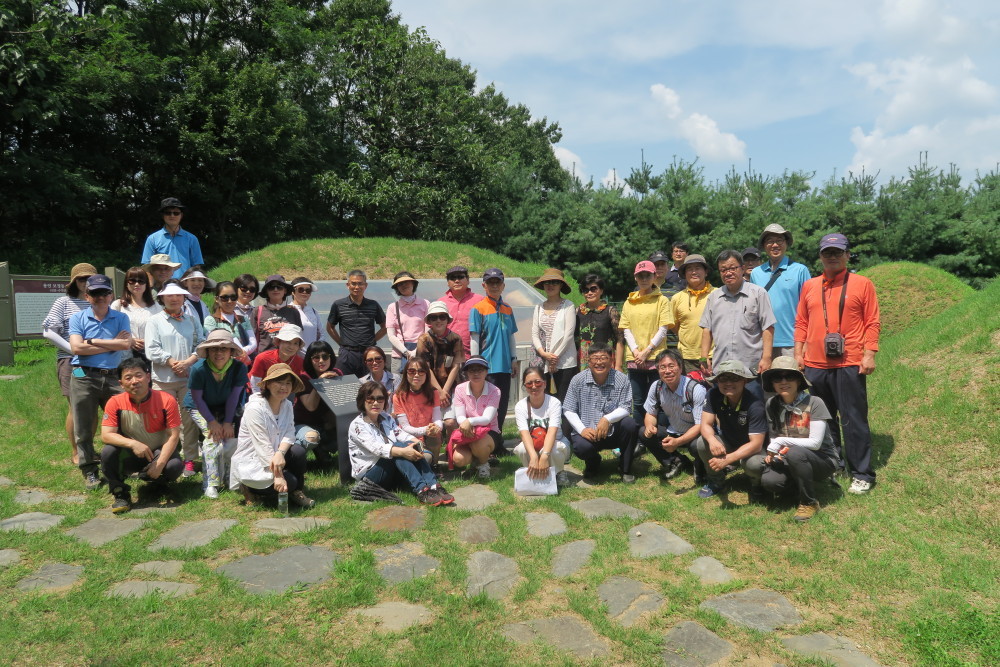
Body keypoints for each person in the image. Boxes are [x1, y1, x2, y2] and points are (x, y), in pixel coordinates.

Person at [794, 232, 881, 495]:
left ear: (846, 255)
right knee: (824, 418)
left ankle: (862, 472)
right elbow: (801, 322)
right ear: (820, 256)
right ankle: (835, 463)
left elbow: (872, 321)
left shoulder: (862, 283)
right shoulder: (810, 286)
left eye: (837, 252)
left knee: (853, 419)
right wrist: (798, 353)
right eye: (826, 253)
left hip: (849, 362)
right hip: (816, 364)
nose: (832, 257)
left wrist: (870, 353)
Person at [67, 274, 132, 489]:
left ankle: (122, 464)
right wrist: (113, 343)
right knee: (84, 426)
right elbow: (76, 348)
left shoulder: (121, 317)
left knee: (123, 422)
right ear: (87, 296)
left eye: (104, 292)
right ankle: (89, 470)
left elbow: (125, 345)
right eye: (95, 293)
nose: (100, 297)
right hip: (84, 375)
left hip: (114, 376)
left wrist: (92, 341)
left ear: (111, 294)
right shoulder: (78, 318)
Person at [348, 380, 454, 506]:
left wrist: (416, 444)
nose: (375, 403)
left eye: (380, 398)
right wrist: (404, 451)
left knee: (408, 446)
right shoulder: (357, 425)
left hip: (390, 467)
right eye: (370, 399)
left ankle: (433, 485)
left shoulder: (385, 417)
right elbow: (378, 449)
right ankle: (421, 490)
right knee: (398, 448)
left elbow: (400, 434)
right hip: (370, 475)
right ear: (362, 401)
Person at [760, 357, 840, 522]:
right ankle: (796, 489)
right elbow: (775, 435)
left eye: (789, 377)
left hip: (823, 459)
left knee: (796, 453)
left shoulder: (814, 402)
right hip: (790, 456)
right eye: (777, 378)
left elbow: (815, 443)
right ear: (772, 383)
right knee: (770, 482)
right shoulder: (771, 404)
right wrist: (775, 452)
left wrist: (781, 441)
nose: (783, 382)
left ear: (798, 380)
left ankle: (809, 502)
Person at [100, 358, 184, 513]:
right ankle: (120, 493)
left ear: (148, 377)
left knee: (174, 466)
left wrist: (160, 463)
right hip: (131, 454)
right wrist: (133, 444)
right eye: (128, 378)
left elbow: (174, 435)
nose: (134, 381)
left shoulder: (166, 400)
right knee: (107, 452)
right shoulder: (114, 402)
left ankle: (157, 482)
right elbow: (106, 435)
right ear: (121, 383)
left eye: (139, 375)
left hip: (158, 451)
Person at [230, 363, 315, 508]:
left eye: (288, 383)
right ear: (268, 384)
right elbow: (262, 445)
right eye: (279, 382)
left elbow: (289, 432)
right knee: (290, 481)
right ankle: (248, 488)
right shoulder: (255, 408)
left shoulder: (287, 405)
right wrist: (278, 476)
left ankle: (296, 492)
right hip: (256, 458)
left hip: (275, 453)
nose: (284, 387)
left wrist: (280, 453)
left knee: (298, 452)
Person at [145, 281, 205, 478]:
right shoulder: (154, 321)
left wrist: (187, 363)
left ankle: (189, 459)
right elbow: (151, 349)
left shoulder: (191, 319)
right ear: (162, 297)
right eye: (169, 295)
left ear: (183, 297)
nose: (174, 298)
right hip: (164, 379)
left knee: (189, 420)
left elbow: (201, 344)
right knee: (165, 421)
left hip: (188, 378)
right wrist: (172, 362)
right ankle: (165, 458)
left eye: (178, 295)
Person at [699, 249, 776, 395]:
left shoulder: (758, 293)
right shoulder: (714, 297)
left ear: (742, 268)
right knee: (722, 412)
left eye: (732, 268)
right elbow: (706, 329)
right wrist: (704, 357)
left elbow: (768, 327)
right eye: (723, 270)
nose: (728, 273)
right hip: (721, 370)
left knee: (754, 410)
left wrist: (766, 358)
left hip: (750, 369)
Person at [42, 262, 96, 464]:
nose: (85, 283)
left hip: (97, 360)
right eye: (81, 279)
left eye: (89, 279)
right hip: (71, 361)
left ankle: (88, 450)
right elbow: (48, 331)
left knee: (91, 407)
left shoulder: (98, 301)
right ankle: (76, 452)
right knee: (76, 406)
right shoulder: (63, 302)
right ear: (74, 282)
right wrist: (73, 348)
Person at [185, 330, 248, 499]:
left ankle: (230, 478)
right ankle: (211, 483)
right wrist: (212, 422)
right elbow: (197, 399)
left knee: (230, 438)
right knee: (212, 438)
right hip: (200, 407)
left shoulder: (239, 368)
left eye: (224, 349)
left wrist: (227, 422)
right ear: (207, 351)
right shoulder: (198, 369)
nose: (219, 353)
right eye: (214, 349)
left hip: (228, 405)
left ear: (231, 352)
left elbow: (235, 396)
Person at [563, 345, 639, 482]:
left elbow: (626, 407)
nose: (599, 362)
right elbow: (568, 409)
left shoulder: (621, 379)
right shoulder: (578, 380)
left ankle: (625, 468)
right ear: (589, 361)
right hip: (589, 432)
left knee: (630, 424)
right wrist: (582, 429)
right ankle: (593, 463)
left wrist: (607, 419)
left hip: (613, 432)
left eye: (604, 358)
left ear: (611, 360)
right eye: (595, 358)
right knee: (581, 448)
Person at [695, 360, 767, 500]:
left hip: (753, 450)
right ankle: (716, 481)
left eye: (734, 378)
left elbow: (756, 444)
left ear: (744, 381)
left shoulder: (755, 404)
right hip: (728, 442)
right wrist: (712, 440)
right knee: (702, 443)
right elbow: (705, 424)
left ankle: (756, 485)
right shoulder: (713, 394)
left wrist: (727, 459)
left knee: (754, 464)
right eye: (723, 378)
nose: (728, 383)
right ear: (717, 381)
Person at [638, 349, 708, 481]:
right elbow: (650, 413)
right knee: (643, 432)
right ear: (658, 370)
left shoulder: (695, 389)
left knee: (696, 445)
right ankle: (675, 461)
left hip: (695, 432)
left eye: (671, 366)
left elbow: (701, 425)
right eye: (662, 367)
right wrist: (649, 426)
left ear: (680, 368)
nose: (667, 371)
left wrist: (677, 442)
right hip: (674, 430)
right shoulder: (656, 386)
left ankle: (701, 466)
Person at [619, 260, 672, 424]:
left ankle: (660, 434)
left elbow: (663, 329)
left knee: (659, 399)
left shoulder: (662, 300)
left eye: (647, 275)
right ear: (635, 278)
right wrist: (636, 351)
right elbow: (626, 328)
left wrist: (647, 351)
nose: (644, 279)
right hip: (635, 359)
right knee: (639, 400)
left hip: (656, 356)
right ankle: (640, 437)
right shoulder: (629, 301)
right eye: (640, 276)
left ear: (654, 276)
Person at [751, 223, 811, 358]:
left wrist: (806, 342)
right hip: (763, 342)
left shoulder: (800, 270)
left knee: (791, 379)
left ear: (786, 244)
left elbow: (810, 308)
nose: (775, 245)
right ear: (764, 245)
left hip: (792, 342)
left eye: (779, 241)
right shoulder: (756, 273)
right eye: (770, 241)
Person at [469, 268, 519, 432]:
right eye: (490, 282)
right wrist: (476, 363)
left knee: (502, 403)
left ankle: (497, 440)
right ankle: (486, 439)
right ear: (484, 285)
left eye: (497, 282)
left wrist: (514, 359)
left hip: (504, 366)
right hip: (487, 367)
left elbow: (511, 336)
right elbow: (474, 337)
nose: (494, 285)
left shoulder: (508, 308)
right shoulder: (478, 309)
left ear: (503, 285)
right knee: (486, 405)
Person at [514, 366, 572, 488]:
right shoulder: (520, 406)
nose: (534, 386)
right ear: (525, 386)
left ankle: (559, 471)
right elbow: (524, 433)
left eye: (538, 382)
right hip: (533, 443)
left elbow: (552, 431)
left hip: (557, 441)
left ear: (545, 384)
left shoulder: (554, 402)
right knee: (521, 449)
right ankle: (532, 470)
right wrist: (534, 456)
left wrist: (544, 455)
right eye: (529, 384)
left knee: (554, 450)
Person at [447, 356, 504, 478]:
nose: (476, 373)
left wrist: (470, 421)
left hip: (489, 430)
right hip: (467, 429)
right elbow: (460, 415)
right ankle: (477, 459)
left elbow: (487, 419)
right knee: (459, 460)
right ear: (467, 373)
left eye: (480, 370)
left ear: (486, 371)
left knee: (478, 444)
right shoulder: (460, 389)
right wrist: (466, 425)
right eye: (472, 370)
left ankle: (483, 464)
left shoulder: (495, 391)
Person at [326, 269, 386, 378]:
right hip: (347, 354)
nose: (356, 287)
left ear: (365, 285)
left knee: (369, 386)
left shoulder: (373, 305)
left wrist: (373, 340)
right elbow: (330, 327)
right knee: (344, 385)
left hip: (368, 353)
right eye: (353, 283)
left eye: (360, 283)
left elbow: (385, 327)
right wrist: (341, 342)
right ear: (347, 285)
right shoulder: (338, 305)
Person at [531, 268, 577, 402]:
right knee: (546, 400)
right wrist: (544, 354)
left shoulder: (568, 306)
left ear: (561, 285)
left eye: (554, 282)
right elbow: (534, 334)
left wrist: (554, 357)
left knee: (564, 400)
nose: (550, 285)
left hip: (565, 362)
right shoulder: (538, 307)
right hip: (544, 361)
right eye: (547, 283)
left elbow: (569, 335)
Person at [294, 340, 343, 468]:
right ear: (310, 360)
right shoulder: (304, 378)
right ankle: (296, 456)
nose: (321, 361)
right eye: (316, 357)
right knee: (312, 437)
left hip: (325, 422)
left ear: (331, 357)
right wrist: (319, 383)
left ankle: (325, 450)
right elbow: (311, 407)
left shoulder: (337, 373)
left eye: (325, 356)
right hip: (304, 423)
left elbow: (343, 403)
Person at [415, 301, 464, 427]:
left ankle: (451, 445)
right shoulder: (424, 339)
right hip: (429, 387)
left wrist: (445, 391)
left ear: (447, 319)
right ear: (429, 321)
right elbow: (425, 367)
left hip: (451, 386)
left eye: (442, 316)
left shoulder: (456, 339)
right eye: (434, 317)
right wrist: (439, 391)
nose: (438, 320)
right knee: (432, 423)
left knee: (450, 422)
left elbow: (456, 366)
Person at [393, 357, 444, 473]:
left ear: (426, 374)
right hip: (409, 437)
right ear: (406, 374)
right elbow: (405, 427)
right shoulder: (398, 396)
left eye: (421, 371)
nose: (416, 375)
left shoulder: (434, 393)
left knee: (435, 435)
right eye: (411, 371)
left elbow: (437, 418)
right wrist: (426, 430)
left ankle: (435, 466)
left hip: (429, 435)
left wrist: (436, 428)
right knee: (425, 459)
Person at [669, 254, 716, 373]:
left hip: (715, 355)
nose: (694, 272)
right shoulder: (677, 298)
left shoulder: (718, 294)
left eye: (698, 268)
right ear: (684, 274)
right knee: (689, 391)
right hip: (686, 358)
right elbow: (674, 326)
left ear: (706, 272)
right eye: (689, 269)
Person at [141, 197, 204, 279]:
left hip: (184, 286)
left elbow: (197, 266)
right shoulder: (152, 239)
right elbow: (147, 268)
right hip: (161, 287)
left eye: (176, 213)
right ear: (163, 215)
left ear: (181, 215)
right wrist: (151, 289)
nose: (172, 215)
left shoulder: (192, 239)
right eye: (168, 213)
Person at [110, 266, 162, 361]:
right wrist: (131, 341)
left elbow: (162, 331)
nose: (137, 284)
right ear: (126, 283)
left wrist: (148, 341)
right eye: (132, 281)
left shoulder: (156, 307)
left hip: (149, 356)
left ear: (146, 284)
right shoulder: (118, 305)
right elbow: (111, 330)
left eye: (141, 281)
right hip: (124, 356)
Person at [575, 274, 624, 372]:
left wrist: (618, 365)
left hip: (604, 359)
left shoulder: (610, 311)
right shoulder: (577, 312)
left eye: (593, 289)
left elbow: (620, 339)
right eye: (586, 290)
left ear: (601, 290)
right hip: (583, 362)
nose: (589, 293)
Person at [385, 271, 429, 373]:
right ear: (396, 288)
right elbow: (391, 335)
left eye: (407, 282)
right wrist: (406, 351)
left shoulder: (425, 304)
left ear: (413, 283)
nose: (404, 285)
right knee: (398, 385)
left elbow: (428, 331)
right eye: (400, 284)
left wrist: (415, 351)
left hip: (422, 352)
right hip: (399, 354)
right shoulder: (392, 307)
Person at [203, 281, 256, 363]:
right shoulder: (211, 320)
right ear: (217, 299)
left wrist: (243, 352)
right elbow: (212, 344)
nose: (230, 301)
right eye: (225, 297)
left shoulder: (244, 319)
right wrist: (238, 353)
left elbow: (253, 343)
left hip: (243, 365)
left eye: (233, 297)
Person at [440, 265, 484, 357]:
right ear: (448, 283)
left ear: (468, 280)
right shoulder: (440, 303)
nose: (457, 280)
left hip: (475, 355)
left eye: (460, 277)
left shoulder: (480, 301)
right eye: (452, 278)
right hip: (447, 356)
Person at [249, 324, 306, 393]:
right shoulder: (262, 358)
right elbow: (255, 383)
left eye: (296, 343)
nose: (291, 347)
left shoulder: (299, 362)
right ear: (279, 342)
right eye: (288, 342)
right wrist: (258, 400)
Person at [253, 274, 301, 355]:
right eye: (271, 287)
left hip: (287, 360)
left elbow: (298, 339)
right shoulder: (257, 311)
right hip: (264, 360)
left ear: (285, 290)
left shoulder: (293, 311)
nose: (275, 289)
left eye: (279, 287)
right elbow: (252, 339)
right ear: (266, 291)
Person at [287, 277, 323, 354]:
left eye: (308, 290)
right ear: (293, 292)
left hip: (312, 356)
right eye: (301, 289)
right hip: (293, 356)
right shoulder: (287, 310)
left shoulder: (314, 312)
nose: (304, 292)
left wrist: (315, 350)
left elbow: (321, 334)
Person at [359, 346, 398, 412]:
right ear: (366, 363)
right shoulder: (362, 382)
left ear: (384, 360)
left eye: (378, 359)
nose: (374, 363)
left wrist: (389, 419)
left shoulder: (395, 379)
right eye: (370, 360)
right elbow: (362, 407)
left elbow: (398, 404)